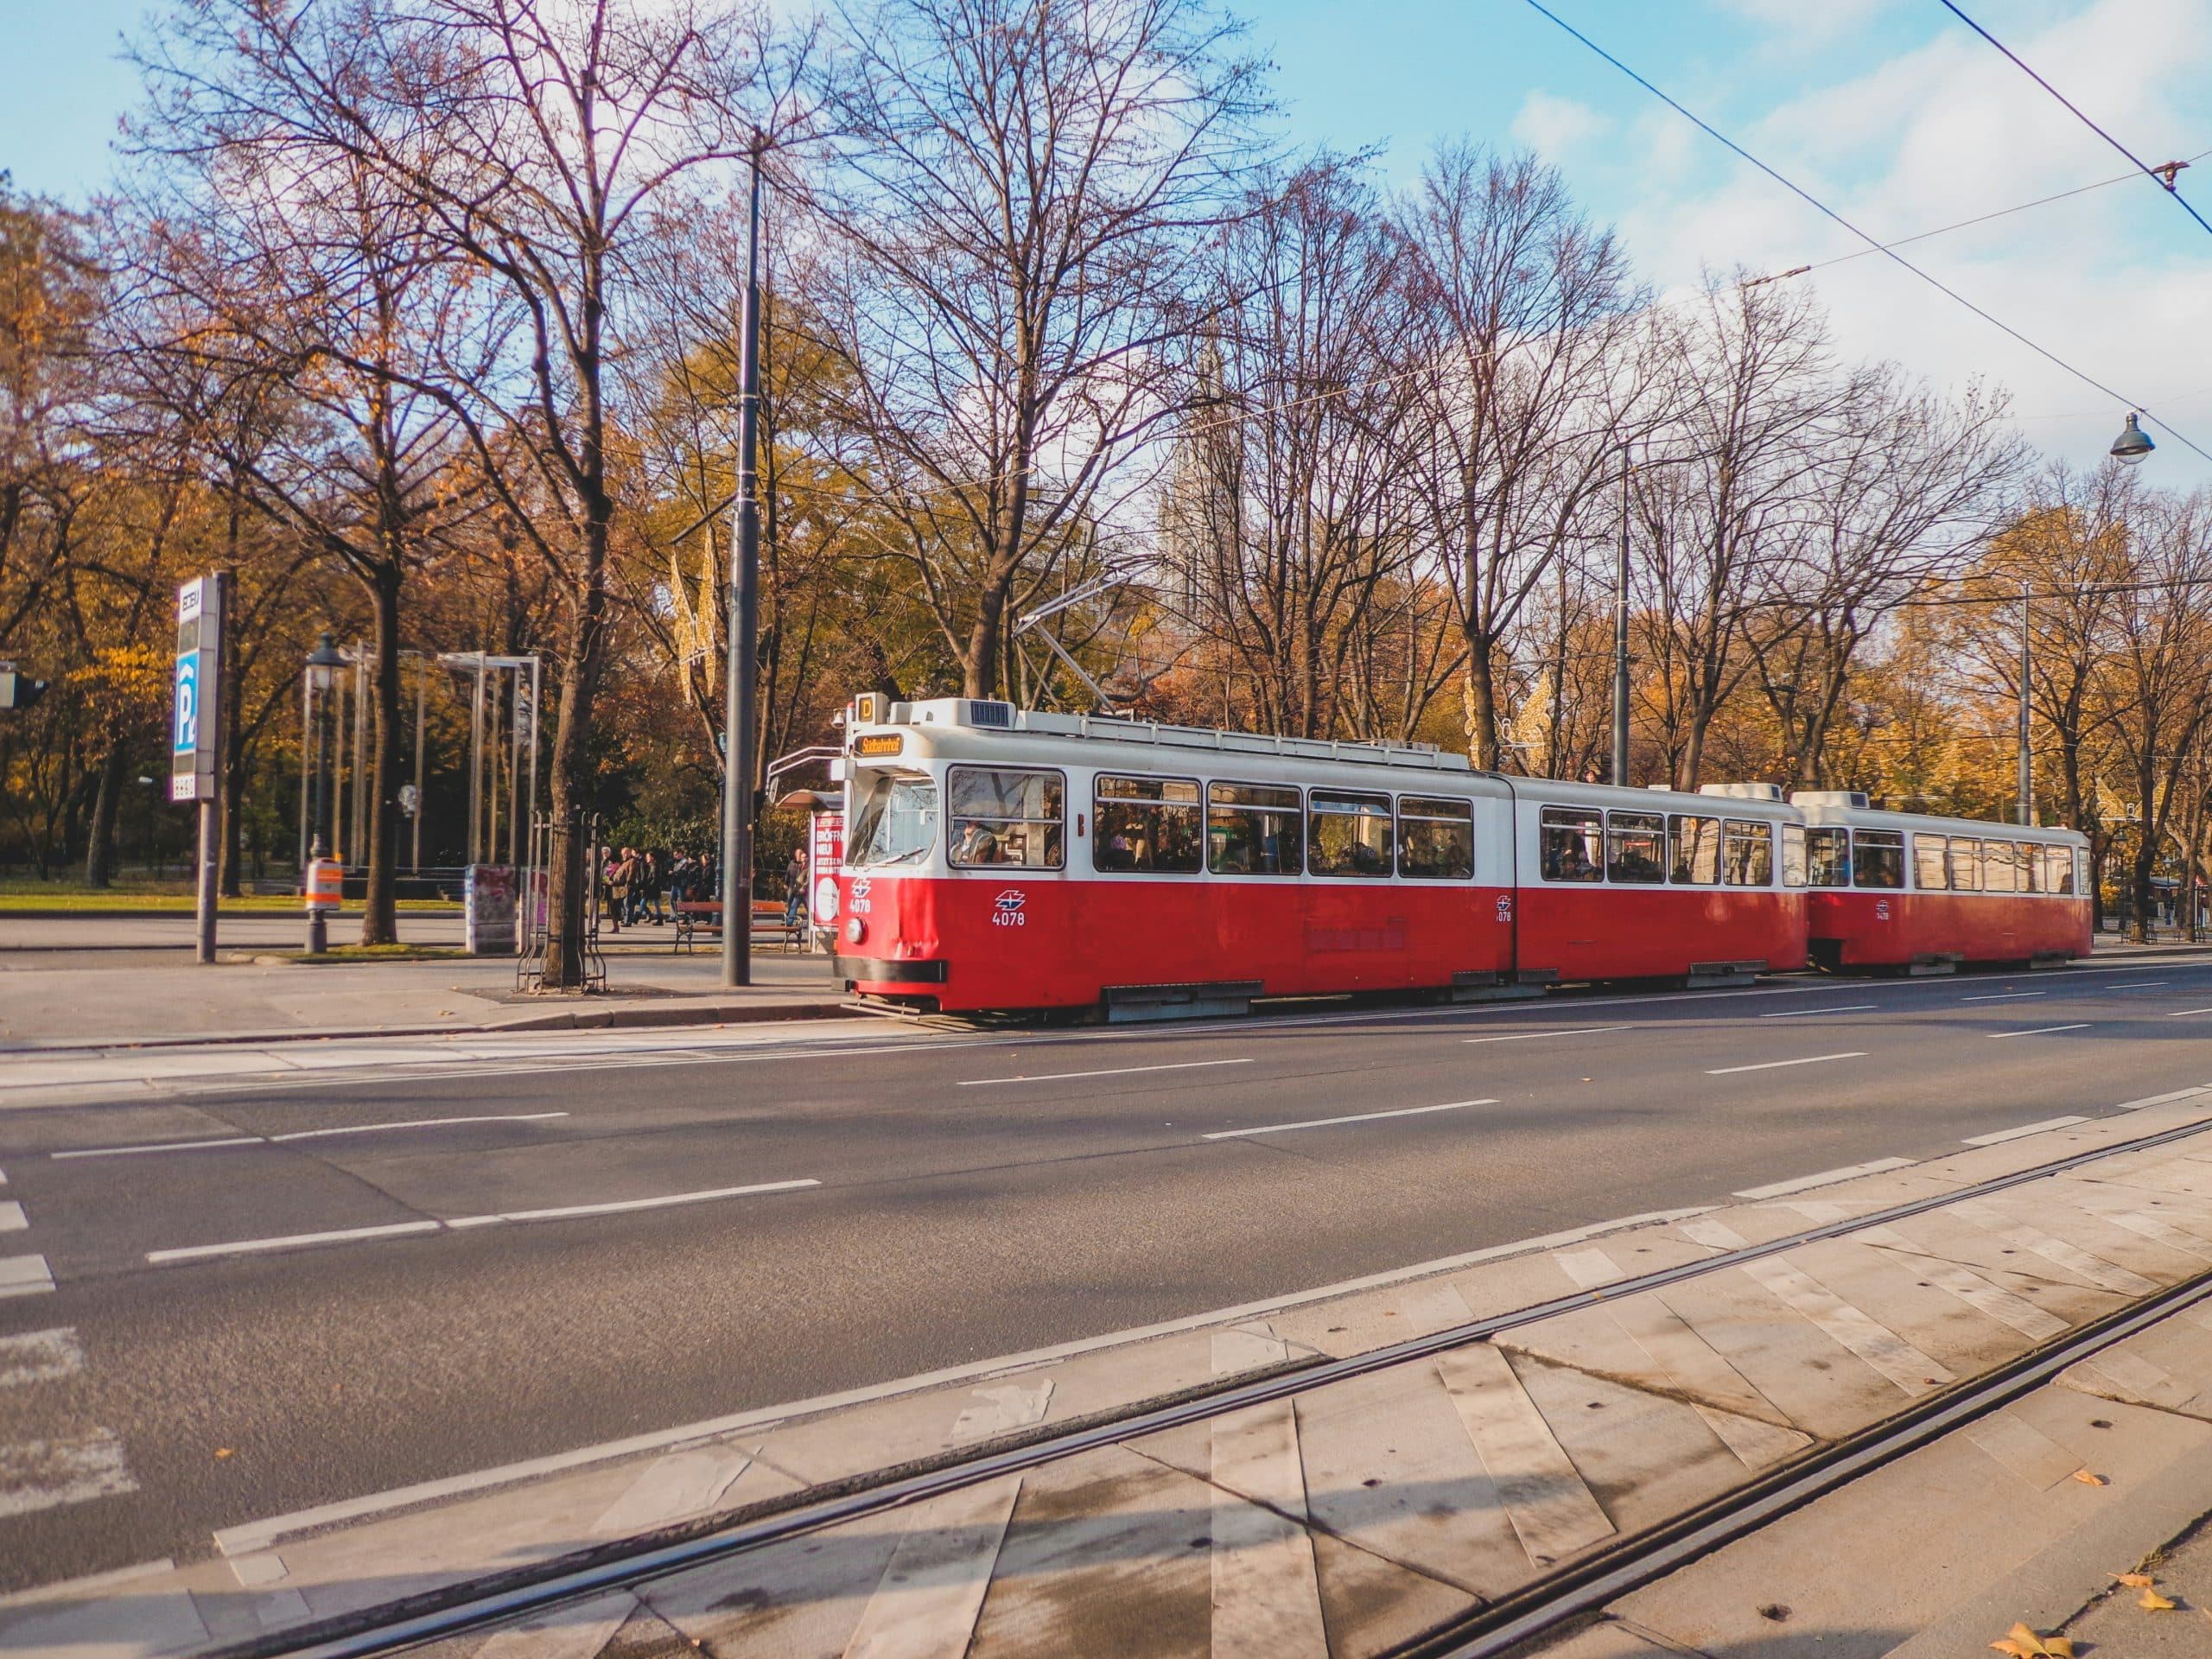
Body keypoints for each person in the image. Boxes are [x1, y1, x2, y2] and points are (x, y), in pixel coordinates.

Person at [784, 845, 807, 931]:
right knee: (790, 902)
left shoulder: (803, 866)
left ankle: (790, 920)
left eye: (801, 854)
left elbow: (805, 878)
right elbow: (788, 873)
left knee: (799, 904)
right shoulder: (792, 863)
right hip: (791, 885)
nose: (799, 856)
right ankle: (788, 920)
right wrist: (786, 883)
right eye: (798, 854)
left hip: (800, 888)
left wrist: (803, 886)